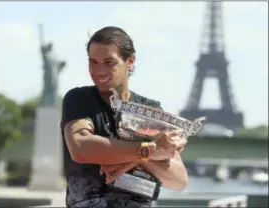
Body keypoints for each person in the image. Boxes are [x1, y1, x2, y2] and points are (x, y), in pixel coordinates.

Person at [61, 26, 188, 208]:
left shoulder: (151, 109)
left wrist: (138, 156)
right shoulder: (79, 99)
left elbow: (179, 181)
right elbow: (81, 147)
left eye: (108, 62)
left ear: (130, 61)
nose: (99, 71)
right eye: (93, 62)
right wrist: (150, 151)